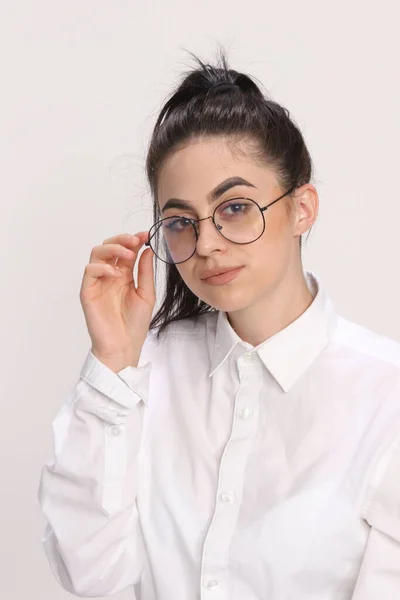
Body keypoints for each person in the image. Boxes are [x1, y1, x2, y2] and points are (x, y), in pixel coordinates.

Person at [38, 51, 400, 600]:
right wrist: (112, 362)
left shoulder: (384, 396)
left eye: (234, 207)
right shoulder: (143, 369)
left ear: (302, 208)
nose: (205, 244)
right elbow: (87, 573)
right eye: (182, 222)